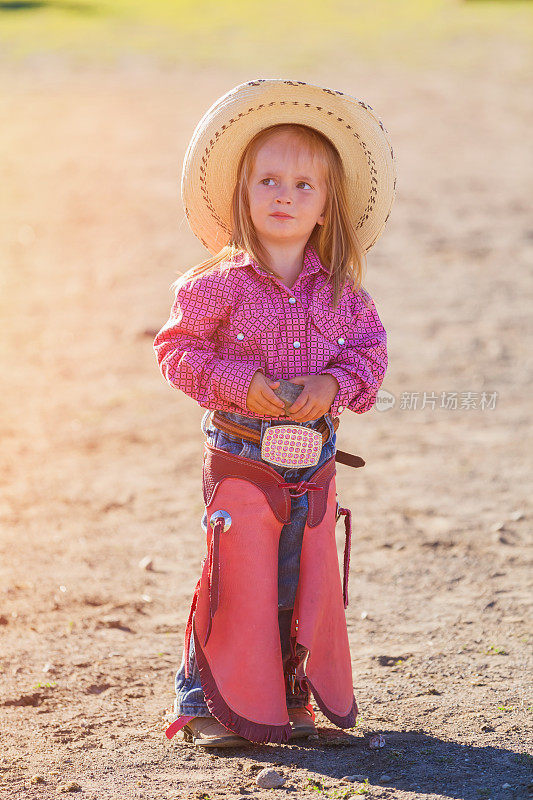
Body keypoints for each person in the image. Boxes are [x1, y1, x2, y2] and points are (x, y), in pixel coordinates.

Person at [153, 79, 396, 748]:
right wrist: (240, 380)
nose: (283, 194)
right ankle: (205, 702)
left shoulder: (344, 293)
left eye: (301, 185)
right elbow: (175, 352)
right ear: (243, 193)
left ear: (324, 208)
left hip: (311, 453)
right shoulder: (216, 283)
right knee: (236, 572)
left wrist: (331, 384)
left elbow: (371, 359)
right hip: (240, 451)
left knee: (298, 572)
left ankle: (288, 697)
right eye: (267, 180)